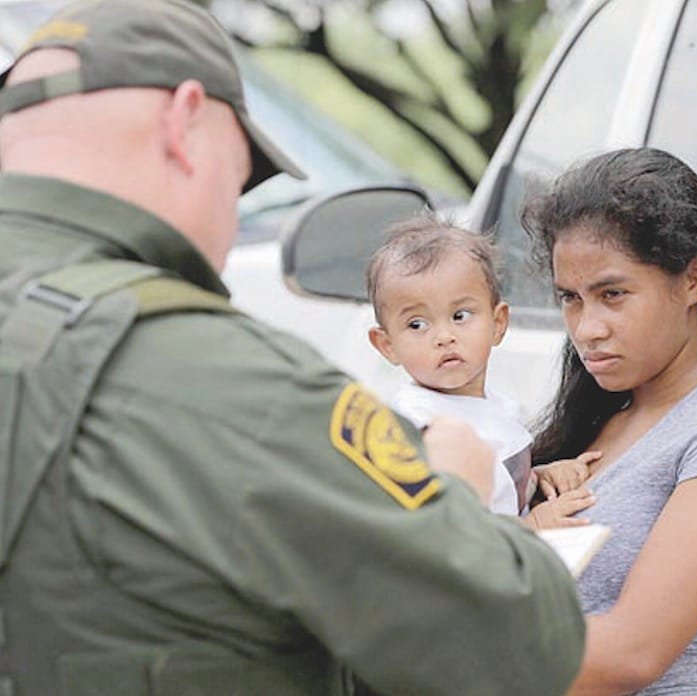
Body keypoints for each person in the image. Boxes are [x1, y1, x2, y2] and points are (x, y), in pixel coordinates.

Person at [0, 1, 586, 694]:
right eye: (241, 176)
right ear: (186, 123)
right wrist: (457, 492)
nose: (226, 224)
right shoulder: (233, 384)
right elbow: (521, 641)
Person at [522, 146, 697, 694]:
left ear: (694, 279)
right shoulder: (599, 412)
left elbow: (633, 653)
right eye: (570, 299)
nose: (587, 328)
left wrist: (427, 651)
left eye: (612, 295)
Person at [366, 215, 598, 526]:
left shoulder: (494, 407)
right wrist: (534, 525)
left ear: (498, 323)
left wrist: (539, 476)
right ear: (387, 345)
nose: (444, 336)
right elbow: (452, 532)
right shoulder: (421, 427)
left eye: (460, 315)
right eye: (417, 324)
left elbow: (496, 488)